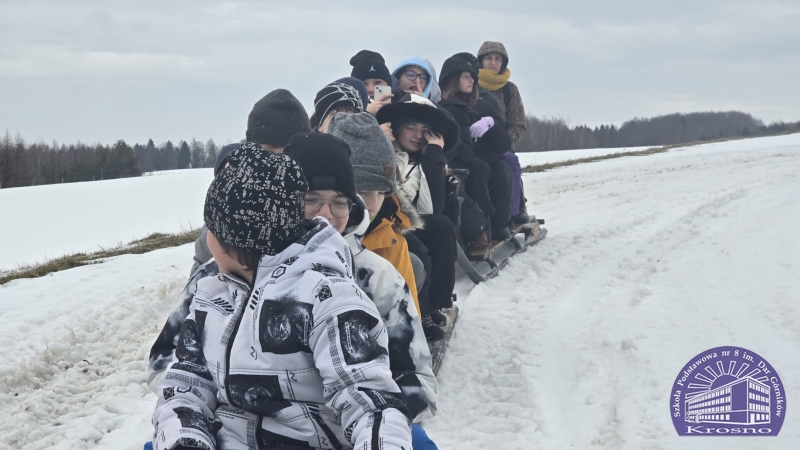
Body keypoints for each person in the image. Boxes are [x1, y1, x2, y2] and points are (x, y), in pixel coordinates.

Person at [151, 145, 412, 450]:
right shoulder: (211, 296)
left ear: (230, 241)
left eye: (211, 228)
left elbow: (367, 397)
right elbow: (187, 385)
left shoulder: (325, 299)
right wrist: (187, 439)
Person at [283, 131, 438, 423]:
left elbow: (420, 384)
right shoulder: (248, 269)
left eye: (339, 202)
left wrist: (369, 421)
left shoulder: (377, 277)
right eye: (310, 199)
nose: (324, 215)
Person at [189, 88, 311, 275]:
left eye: (288, 152)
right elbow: (202, 263)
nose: (280, 158)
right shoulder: (231, 204)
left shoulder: (314, 198)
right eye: (270, 149)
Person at [376, 95, 460, 339]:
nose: (417, 134)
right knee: (418, 250)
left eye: (425, 130)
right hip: (384, 220)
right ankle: (418, 312)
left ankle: (432, 305)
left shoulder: (429, 160)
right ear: (397, 129)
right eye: (410, 127)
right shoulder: (385, 152)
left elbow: (431, 209)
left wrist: (433, 156)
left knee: (442, 227)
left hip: (409, 222)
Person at [438, 54, 514, 245]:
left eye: (473, 76)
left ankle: (498, 223)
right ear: (452, 79)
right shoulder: (440, 107)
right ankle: (472, 228)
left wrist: (491, 124)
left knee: (501, 170)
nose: (472, 80)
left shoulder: (482, 104)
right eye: (465, 76)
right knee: (472, 171)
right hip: (456, 159)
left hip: (484, 158)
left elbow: (504, 143)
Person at [477, 41, 530, 224]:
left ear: (503, 63)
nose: (493, 62)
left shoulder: (510, 90)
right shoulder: (470, 85)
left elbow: (518, 124)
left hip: (502, 146)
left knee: (510, 161)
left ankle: (515, 209)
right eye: (489, 58)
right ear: (481, 61)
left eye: (497, 59)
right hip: (475, 144)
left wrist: (504, 141)